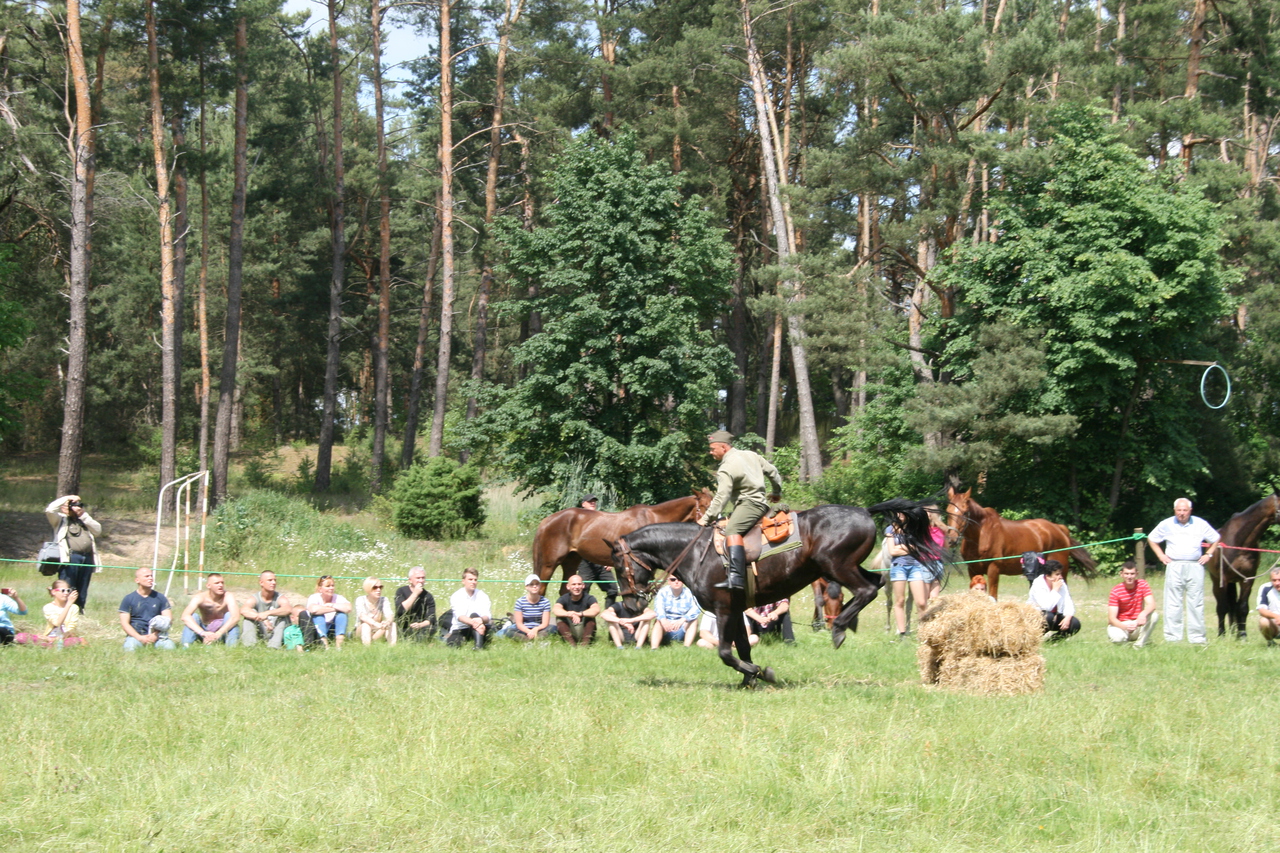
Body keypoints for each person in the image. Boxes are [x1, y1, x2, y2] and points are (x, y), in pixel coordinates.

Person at [695, 430, 783, 590]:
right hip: (761, 504)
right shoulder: (751, 455)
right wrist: (776, 492)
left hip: (749, 506)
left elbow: (722, 497)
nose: (710, 452)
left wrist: (706, 519)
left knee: (732, 530)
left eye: (713, 449)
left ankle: (736, 577)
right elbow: (773, 472)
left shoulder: (726, 467)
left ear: (723, 447)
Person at [1148, 497, 1220, 645]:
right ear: (1175, 510)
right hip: (1174, 565)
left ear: (1190, 511)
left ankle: (1197, 638)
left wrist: (1208, 554)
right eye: (1179, 510)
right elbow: (1152, 538)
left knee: (1196, 602)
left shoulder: (1200, 523)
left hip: (1195, 566)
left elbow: (1215, 539)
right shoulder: (1166, 524)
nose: (1182, 513)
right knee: (1173, 602)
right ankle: (1173, 638)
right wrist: (1161, 555)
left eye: (1185, 510)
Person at [44, 494, 102, 611]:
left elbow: (98, 530)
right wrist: (67, 498)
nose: (75, 507)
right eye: (71, 505)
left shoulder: (84, 520)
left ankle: (79, 612)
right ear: (63, 507)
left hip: (87, 558)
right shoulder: (60, 520)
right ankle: (64, 612)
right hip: (70, 558)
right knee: (67, 587)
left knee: (82, 588)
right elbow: (50, 509)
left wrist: (83, 515)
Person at [576, 494, 620, 606]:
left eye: (594, 501)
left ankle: (609, 617)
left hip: (602, 563)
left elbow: (610, 540)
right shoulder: (577, 520)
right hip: (585, 562)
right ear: (583, 504)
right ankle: (583, 617)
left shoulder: (602, 520)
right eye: (590, 501)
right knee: (582, 590)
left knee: (613, 590)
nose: (592, 503)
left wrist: (611, 560)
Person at [15, 580, 87, 647]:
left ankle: (50, 645)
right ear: (53, 592)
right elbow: (57, 623)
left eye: (68, 590)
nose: (66, 593)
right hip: (48, 637)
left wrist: (68, 605)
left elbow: (71, 629)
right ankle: (50, 645)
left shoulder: (73, 607)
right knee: (21, 636)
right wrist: (48, 638)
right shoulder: (48, 607)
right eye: (63, 590)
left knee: (74, 641)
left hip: (65, 638)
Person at [119, 568, 177, 651]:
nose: (150, 578)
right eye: (146, 576)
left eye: (151, 576)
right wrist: (139, 637)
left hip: (158, 636)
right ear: (137, 580)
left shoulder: (160, 598)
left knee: (170, 649)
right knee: (130, 649)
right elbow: (124, 623)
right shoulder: (128, 599)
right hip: (136, 636)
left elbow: (169, 619)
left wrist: (156, 635)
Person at [180, 573, 242, 647]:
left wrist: (218, 633)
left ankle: (231, 648)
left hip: (222, 631)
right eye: (217, 583)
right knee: (193, 616)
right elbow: (185, 616)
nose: (221, 585)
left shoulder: (228, 596)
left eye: (222, 583)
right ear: (208, 585)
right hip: (204, 631)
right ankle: (186, 646)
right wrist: (203, 633)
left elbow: (236, 617)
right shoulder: (200, 597)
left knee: (229, 616)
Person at [1107, 561, 1159, 647]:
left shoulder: (1142, 584)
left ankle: (1140, 644)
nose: (1129, 577)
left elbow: (1152, 604)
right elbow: (1112, 618)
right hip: (1121, 624)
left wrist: (1143, 614)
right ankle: (1126, 645)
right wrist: (1125, 627)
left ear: (1136, 574)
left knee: (1154, 616)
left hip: (1137, 622)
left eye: (1132, 574)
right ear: (1121, 574)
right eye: (1126, 574)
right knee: (1118, 638)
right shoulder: (1115, 591)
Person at [1027, 560, 1079, 640]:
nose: (1060, 577)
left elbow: (1068, 602)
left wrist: (1067, 618)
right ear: (1048, 576)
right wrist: (1055, 590)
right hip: (1036, 617)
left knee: (1075, 624)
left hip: (1055, 615)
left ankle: (1055, 640)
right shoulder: (1038, 584)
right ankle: (1035, 639)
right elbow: (1046, 607)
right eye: (1057, 574)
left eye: (1060, 574)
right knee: (1048, 617)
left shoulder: (1061, 584)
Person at [240, 571, 293, 649]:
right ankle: (250, 646)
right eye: (270, 580)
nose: (274, 582)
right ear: (261, 582)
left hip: (276, 632)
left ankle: (274, 646)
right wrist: (262, 618)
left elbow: (288, 609)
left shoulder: (280, 598)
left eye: (275, 580)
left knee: (284, 617)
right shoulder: (254, 598)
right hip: (262, 630)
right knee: (248, 617)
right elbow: (243, 610)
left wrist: (267, 613)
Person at [445, 568, 492, 649]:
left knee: (475, 615)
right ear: (463, 581)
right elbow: (460, 616)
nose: (473, 582)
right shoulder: (457, 596)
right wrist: (475, 623)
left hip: (479, 627)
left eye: (475, 580)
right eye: (470, 579)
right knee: (453, 645)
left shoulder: (483, 595)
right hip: (461, 628)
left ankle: (478, 647)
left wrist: (481, 620)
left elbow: (487, 616)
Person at [650, 575, 701, 647]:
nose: (676, 582)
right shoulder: (662, 592)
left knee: (694, 620)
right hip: (666, 626)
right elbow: (659, 607)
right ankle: (654, 648)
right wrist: (663, 620)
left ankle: (686, 646)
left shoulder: (689, 593)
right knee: (658, 621)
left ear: (683, 581)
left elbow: (696, 608)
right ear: (668, 581)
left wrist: (683, 619)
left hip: (682, 625)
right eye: (673, 580)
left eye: (679, 579)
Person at [499, 574, 554, 641]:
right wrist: (529, 631)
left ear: (540, 586)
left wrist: (535, 629)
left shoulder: (545, 601)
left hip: (539, 629)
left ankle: (533, 639)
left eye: (537, 584)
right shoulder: (520, 602)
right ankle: (530, 640)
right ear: (526, 587)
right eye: (531, 584)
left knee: (553, 629)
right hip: (524, 629)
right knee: (508, 631)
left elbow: (545, 623)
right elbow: (519, 624)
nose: (535, 586)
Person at [552, 574, 600, 646]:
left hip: (584, 629)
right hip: (570, 630)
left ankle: (585, 644)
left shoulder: (589, 598)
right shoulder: (564, 598)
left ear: (583, 586)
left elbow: (596, 609)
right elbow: (556, 609)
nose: (576, 587)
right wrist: (569, 614)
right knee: (559, 618)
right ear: (568, 586)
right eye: (573, 584)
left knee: (591, 618)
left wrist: (580, 614)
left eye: (579, 584)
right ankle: (571, 644)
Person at [306, 575, 352, 649]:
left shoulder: (338, 597)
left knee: (342, 615)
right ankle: (324, 645)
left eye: (332, 585)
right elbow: (313, 609)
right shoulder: (314, 597)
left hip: (333, 629)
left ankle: (339, 645)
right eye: (328, 586)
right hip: (317, 630)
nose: (331, 588)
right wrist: (335, 608)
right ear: (320, 589)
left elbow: (348, 608)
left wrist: (332, 605)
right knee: (318, 616)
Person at [394, 566, 436, 642]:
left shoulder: (428, 596)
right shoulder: (401, 591)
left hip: (421, 627)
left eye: (423, 578)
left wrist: (420, 625)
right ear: (410, 580)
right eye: (418, 578)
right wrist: (415, 594)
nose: (421, 580)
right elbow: (400, 611)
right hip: (403, 626)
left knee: (431, 629)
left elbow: (431, 619)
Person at [356, 577, 397, 645]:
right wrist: (375, 624)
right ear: (368, 588)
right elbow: (362, 616)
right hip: (362, 631)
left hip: (378, 630)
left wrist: (387, 622)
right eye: (375, 587)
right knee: (366, 626)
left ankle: (392, 648)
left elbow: (389, 614)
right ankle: (367, 650)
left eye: (380, 587)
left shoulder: (384, 600)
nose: (378, 590)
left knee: (392, 624)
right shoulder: (361, 600)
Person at [1256, 568, 1280, 646]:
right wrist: (1276, 617)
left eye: (1279, 580)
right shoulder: (1265, 588)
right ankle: (1271, 643)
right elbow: (1261, 610)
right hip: (1274, 624)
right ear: (1270, 579)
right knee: (1263, 621)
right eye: (1274, 580)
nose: (1277, 583)